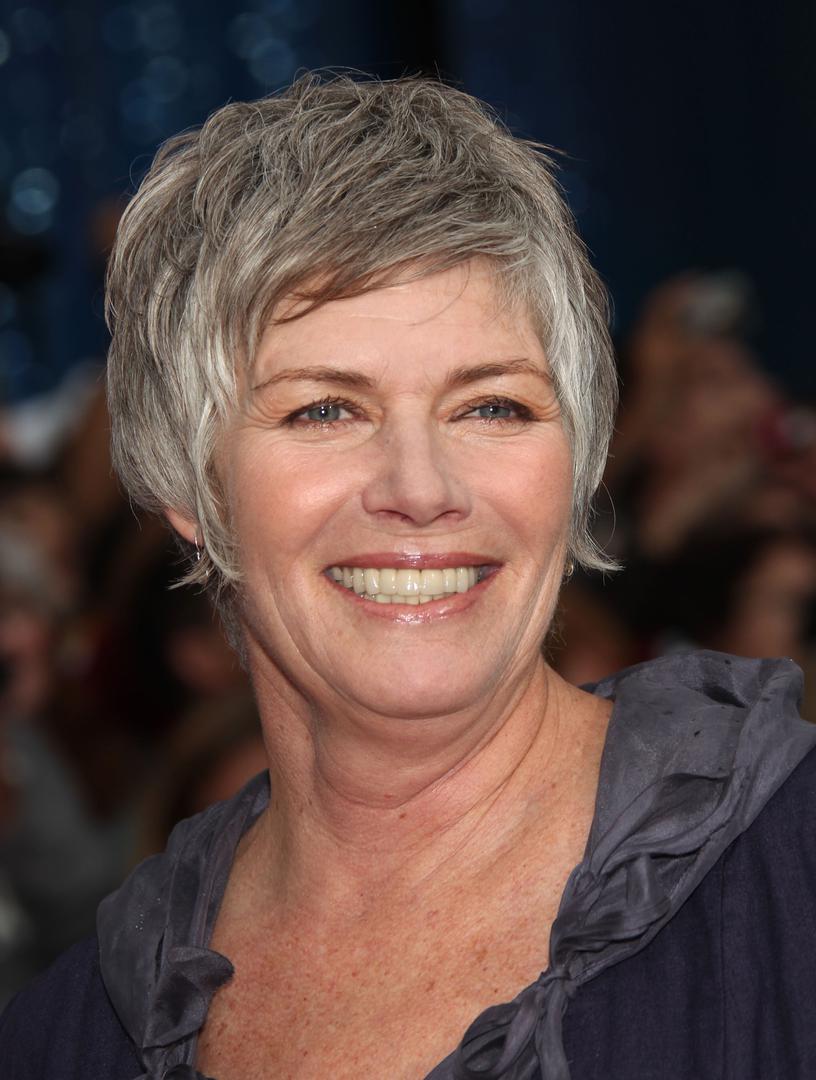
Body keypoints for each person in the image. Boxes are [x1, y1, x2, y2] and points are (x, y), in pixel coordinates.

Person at [2, 73, 815, 1080]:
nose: (421, 489)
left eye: (491, 406)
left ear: (578, 459)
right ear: (190, 485)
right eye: (325, 410)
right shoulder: (68, 1037)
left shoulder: (788, 872)